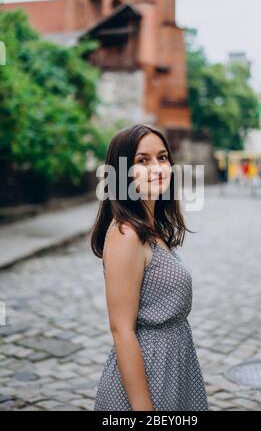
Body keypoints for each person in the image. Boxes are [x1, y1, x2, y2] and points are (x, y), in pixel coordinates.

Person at [90, 124, 208, 411]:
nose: (157, 167)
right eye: (142, 160)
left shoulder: (154, 228)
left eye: (163, 157)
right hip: (149, 374)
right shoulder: (125, 234)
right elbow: (122, 330)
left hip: (175, 366)